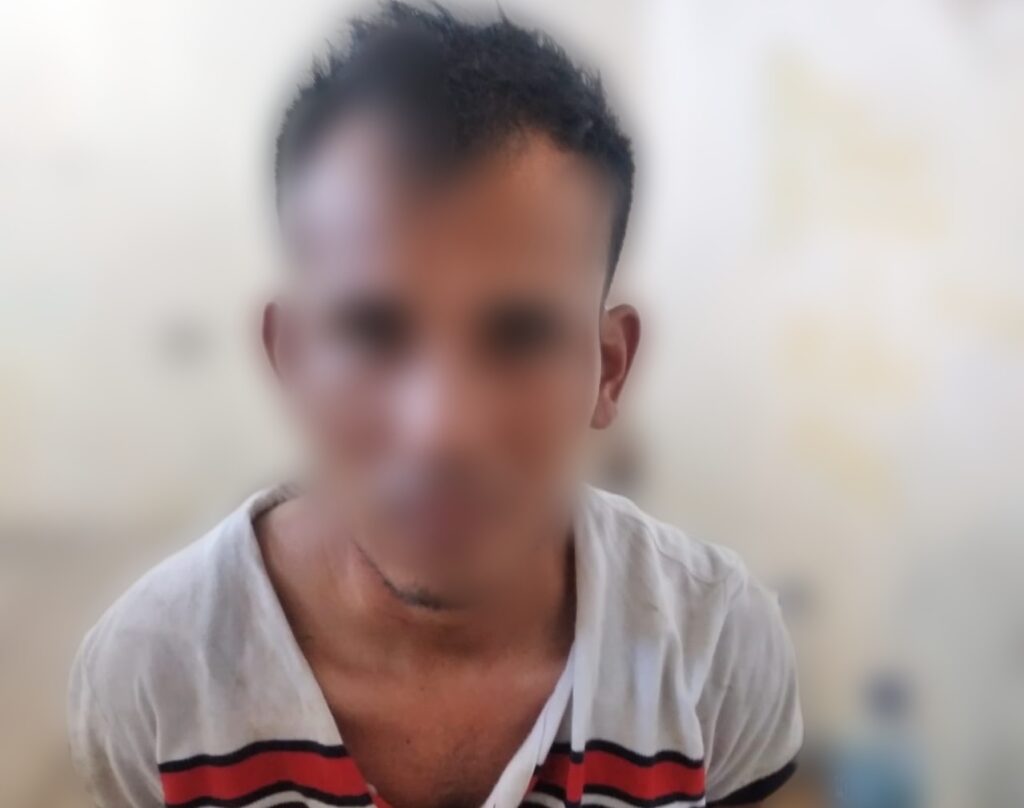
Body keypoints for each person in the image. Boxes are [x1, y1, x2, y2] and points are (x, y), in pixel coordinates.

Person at [67, 3, 802, 807]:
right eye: (372, 331)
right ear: (293, 359)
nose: (441, 429)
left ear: (610, 370)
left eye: (521, 335)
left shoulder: (715, 649)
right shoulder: (156, 673)